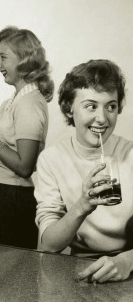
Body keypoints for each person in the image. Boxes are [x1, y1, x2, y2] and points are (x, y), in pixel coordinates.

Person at [35, 59, 133, 283]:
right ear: (69, 107)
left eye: (111, 106)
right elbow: (48, 245)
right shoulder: (50, 160)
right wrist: (82, 206)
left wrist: (127, 261)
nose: (102, 118)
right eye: (91, 106)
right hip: (78, 271)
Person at [0, 26, 54, 249]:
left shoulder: (29, 104)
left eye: (3, 58)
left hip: (14, 198)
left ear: (23, 59)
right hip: (6, 194)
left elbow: (24, 167)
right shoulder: (15, 101)